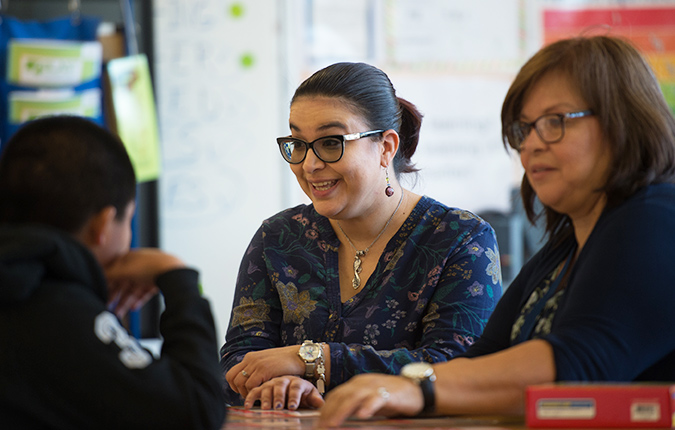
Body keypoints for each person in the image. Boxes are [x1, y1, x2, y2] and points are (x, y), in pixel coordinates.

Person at [247, 35, 675, 427]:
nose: (531, 144)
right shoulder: (564, 249)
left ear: (623, 120)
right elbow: (480, 360)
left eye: (555, 121)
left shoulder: (656, 217)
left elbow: (582, 363)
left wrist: (414, 387)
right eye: (523, 128)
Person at [220, 62, 503, 407]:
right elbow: (241, 357)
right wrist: (283, 385)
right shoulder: (277, 237)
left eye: (330, 142)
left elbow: (458, 366)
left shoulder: (459, 238)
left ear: (386, 147)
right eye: (298, 143)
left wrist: (315, 360)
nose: (309, 165)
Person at [0, 115, 227, 429]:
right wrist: (177, 277)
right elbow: (198, 410)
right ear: (103, 225)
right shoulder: (55, 310)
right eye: (128, 220)